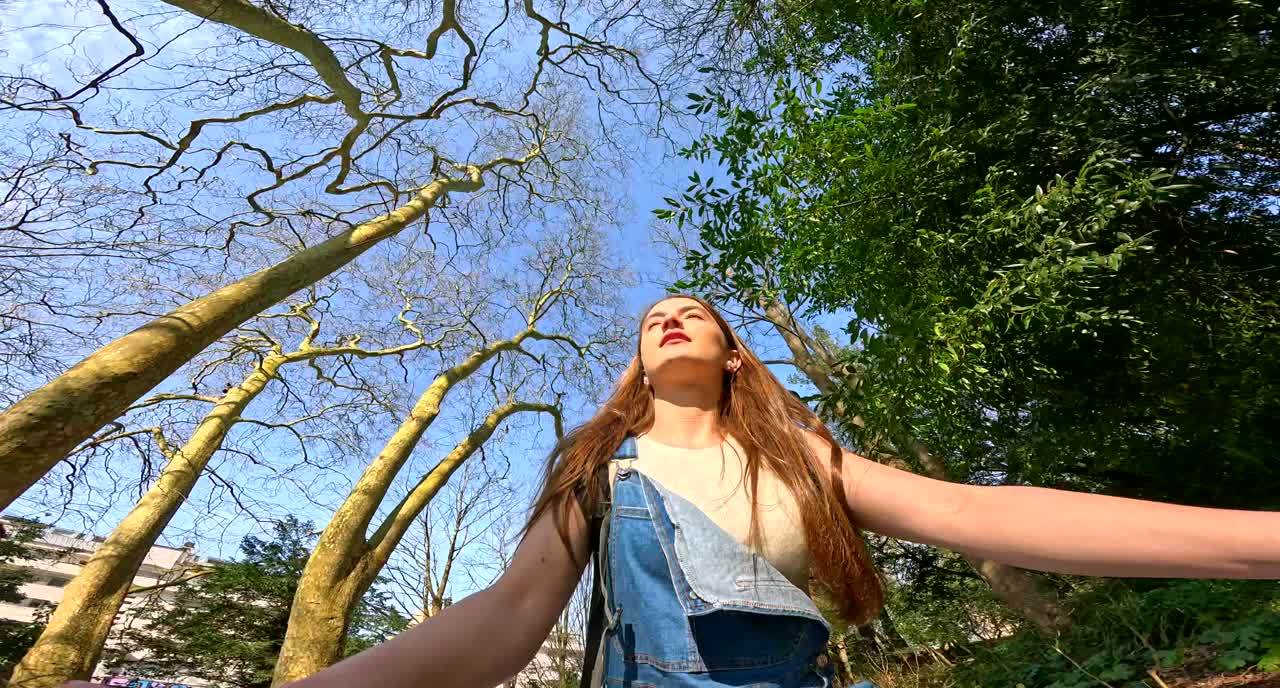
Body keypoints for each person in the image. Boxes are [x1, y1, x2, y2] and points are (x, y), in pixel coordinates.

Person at [65, 295, 1280, 688]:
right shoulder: (598, 466)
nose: (668, 318)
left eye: (692, 312)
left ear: (734, 354)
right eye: (651, 318)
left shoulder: (807, 459)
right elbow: (507, 617)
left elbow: (975, 512)